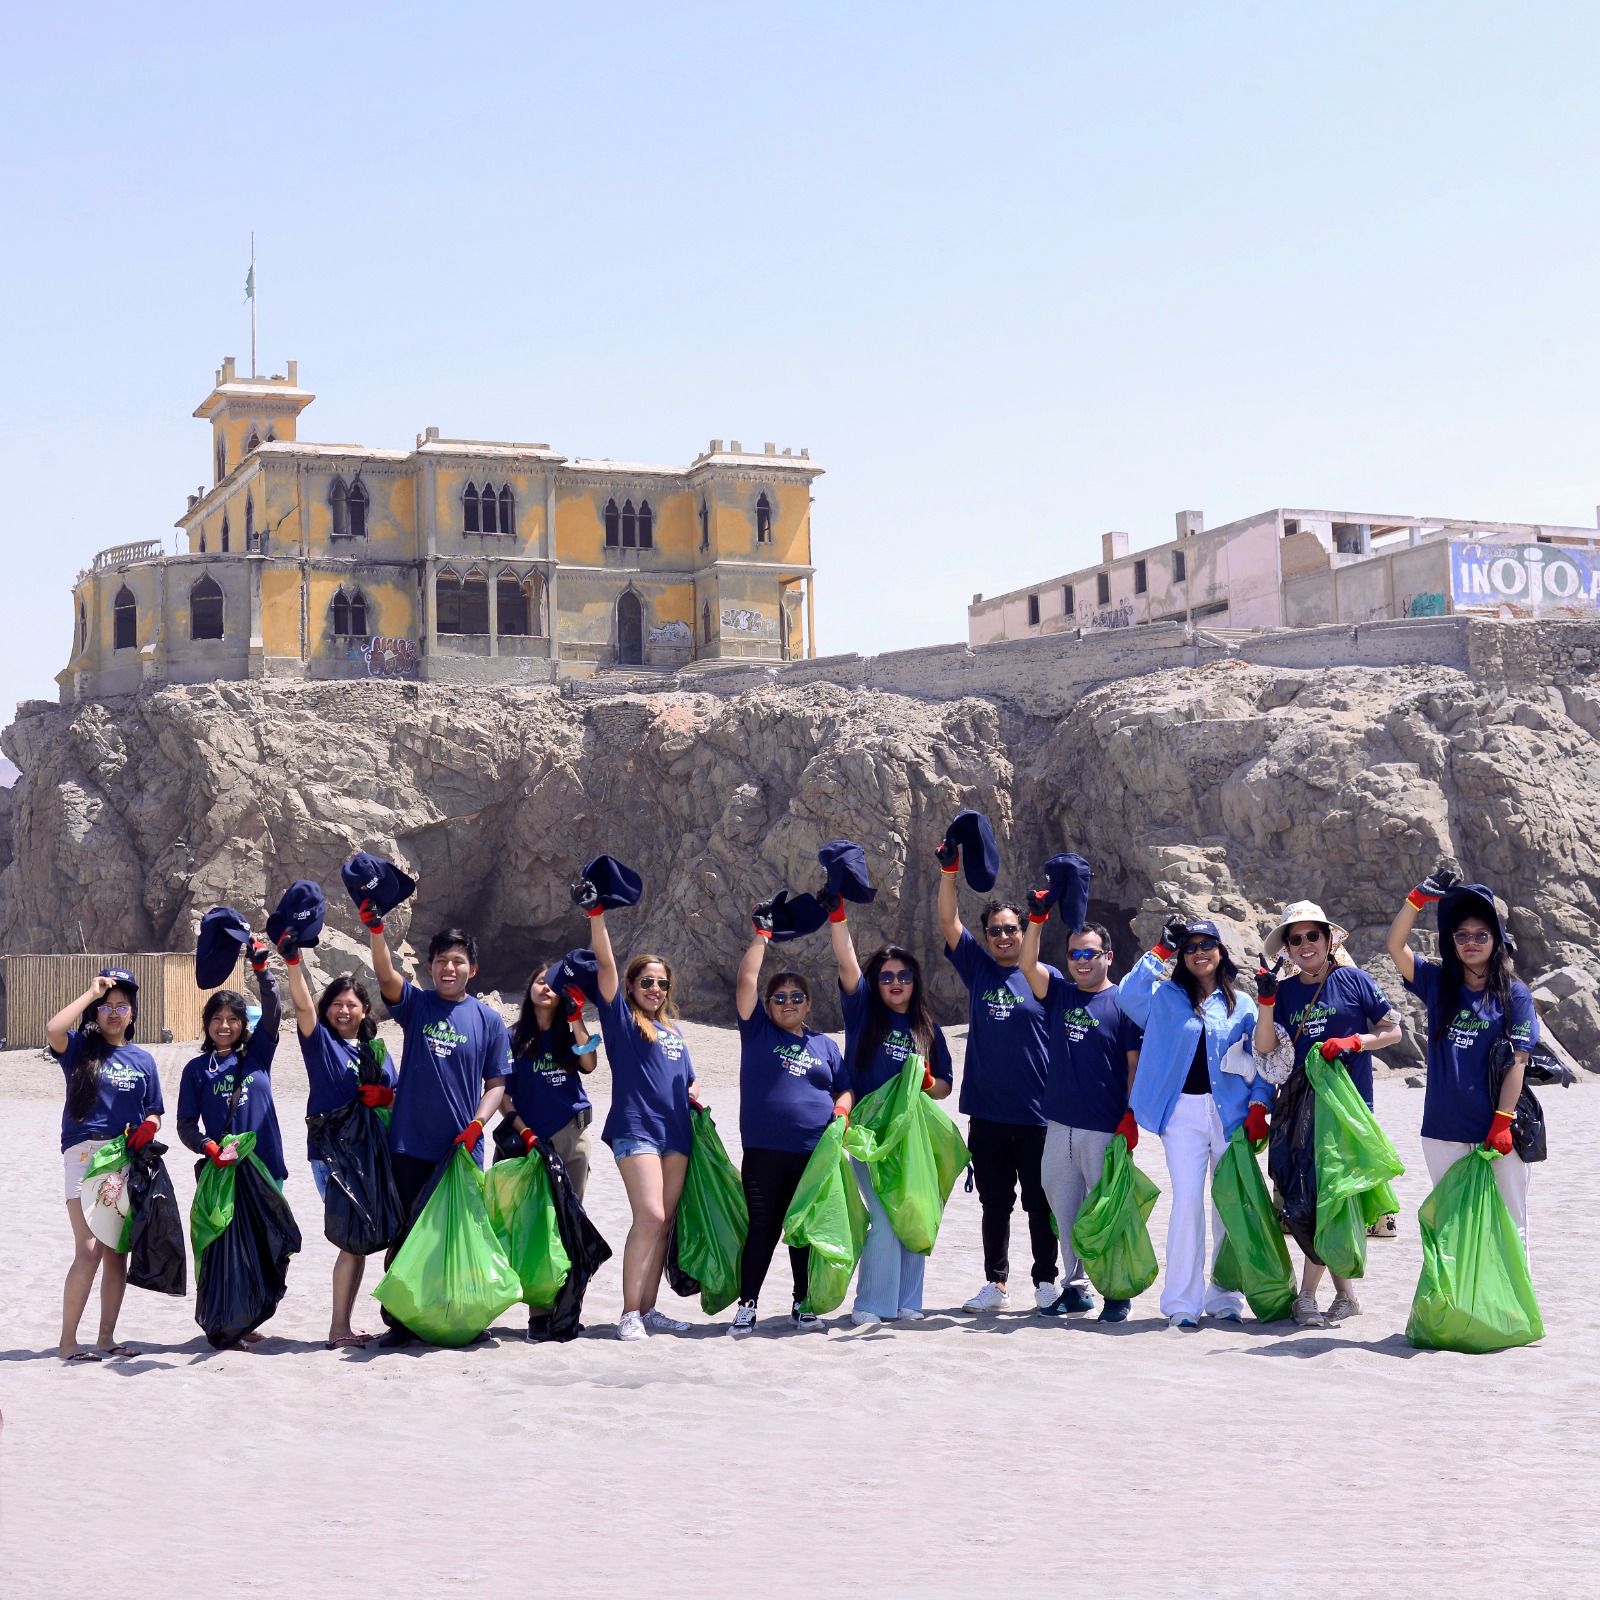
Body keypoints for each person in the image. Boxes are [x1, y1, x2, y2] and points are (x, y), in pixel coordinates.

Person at [365, 908, 511, 1348]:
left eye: (458, 961)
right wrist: (377, 931)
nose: (450, 968)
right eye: (442, 961)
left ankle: (459, 1316)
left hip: (462, 1150)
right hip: (410, 1144)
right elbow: (386, 975)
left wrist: (477, 1124)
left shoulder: (489, 1021)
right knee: (409, 1235)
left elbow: (497, 1084)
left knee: (458, 1235)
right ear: (430, 967)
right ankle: (401, 1321)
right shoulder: (419, 1006)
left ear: (473, 969)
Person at [1254, 900, 1402, 1328]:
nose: (1305, 945)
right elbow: (1265, 1049)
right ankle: (1346, 1296)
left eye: (1312, 936)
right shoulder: (1284, 993)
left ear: (1328, 939)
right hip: (1301, 1112)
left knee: (1329, 1197)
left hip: (1349, 1111)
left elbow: (1392, 1030)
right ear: (1286, 948)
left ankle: (1306, 1296)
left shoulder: (1354, 980)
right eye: (1295, 939)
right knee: (1317, 1198)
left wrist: (1356, 1041)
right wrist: (1266, 1001)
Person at [1119, 916, 1268, 1330]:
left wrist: (1259, 1105)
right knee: (1186, 1203)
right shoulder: (1163, 997)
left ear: (1221, 952)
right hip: (1181, 1115)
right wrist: (1160, 950)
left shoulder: (1243, 1005)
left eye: (1206, 945)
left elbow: (1263, 1057)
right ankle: (1182, 1303)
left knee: (1227, 1205)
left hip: (1230, 1115)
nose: (1198, 953)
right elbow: (1127, 995)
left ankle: (1226, 1298)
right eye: (1190, 947)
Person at [573, 875, 700, 1342]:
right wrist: (596, 916)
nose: (655, 989)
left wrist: (696, 1096)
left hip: (677, 1134)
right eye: (647, 982)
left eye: (662, 984)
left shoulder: (674, 1032)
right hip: (636, 1129)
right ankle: (628, 1312)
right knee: (649, 1216)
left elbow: (686, 1079)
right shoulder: (622, 1020)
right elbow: (605, 964)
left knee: (664, 1223)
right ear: (631, 985)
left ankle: (649, 1310)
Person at [1386, 868, 1538, 1254]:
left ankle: (1513, 1298)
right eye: (1462, 936)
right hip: (1443, 1131)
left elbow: (1518, 1060)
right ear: (1451, 942)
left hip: (1497, 1132)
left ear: (1497, 939)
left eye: (1481, 935)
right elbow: (1396, 946)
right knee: (1451, 1231)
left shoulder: (1515, 994)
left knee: (1509, 1227)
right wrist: (1415, 900)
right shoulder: (1438, 984)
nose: (1471, 942)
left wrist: (1502, 1121)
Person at [937, 855, 1060, 1313]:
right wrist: (950, 871)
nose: (1004, 936)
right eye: (995, 931)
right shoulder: (980, 969)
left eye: (1012, 929)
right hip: (988, 1114)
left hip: (1037, 1115)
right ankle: (996, 1284)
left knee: (1040, 1204)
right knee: (995, 1204)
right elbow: (948, 921)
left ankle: (1045, 1282)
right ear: (986, 937)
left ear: (1025, 931)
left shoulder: (1045, 977)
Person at [826, 898, 953, 1327]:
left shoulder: (927, 1028)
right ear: (875, 983)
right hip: (869, 1134)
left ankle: (907, 1302)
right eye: (886, 977)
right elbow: (846, 962)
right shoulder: (863, 1013)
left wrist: (928, 1081)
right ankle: (872, 1304)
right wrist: (838, 915)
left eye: (903, 976)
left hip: (913, 1136)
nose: (895, 982)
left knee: (914, 1208)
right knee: (882, 1216)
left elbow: (944, 1088)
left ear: (915, 981)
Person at [727, 909, 853, 1337]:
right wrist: (762, 935)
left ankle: (802, 1304)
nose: (788, 1003)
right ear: (767, 1005)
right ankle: (747, 1306)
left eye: (797, 997)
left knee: (803, 1231)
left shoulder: (825, 1045)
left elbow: (845, 1089)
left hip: (813, 1153)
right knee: (763, 1228)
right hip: (764, 1150)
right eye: (779, 998)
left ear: (809, 1003)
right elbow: (746, 980)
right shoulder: (757, 1032)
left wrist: (841, 1113)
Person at [1018, 904, 1142, 1322]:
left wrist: (1130, 1116)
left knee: (1105, 1213)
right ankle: (1076, 1289)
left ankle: (1117, 1294)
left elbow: (1134, 1065)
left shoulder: (1123, 1003)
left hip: (1104, 1127)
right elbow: (1028, 964)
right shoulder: (1061, 994)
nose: (1081, 961)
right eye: (1074, 954)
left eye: (1090, 953)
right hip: (1059, 1125)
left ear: (1108, 956)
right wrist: (1037, 920)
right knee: (1066, 1211)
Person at [281, 928, 397, 1350]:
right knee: (351, 1238)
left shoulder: (376, 1052)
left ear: (365, 1010)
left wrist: (387, 1097)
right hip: (331, 1156)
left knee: (360, 1240)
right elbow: (302, 1004)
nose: (344, 1011)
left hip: (369, 1155)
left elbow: (397, 1096)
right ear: (327, 1009)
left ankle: (345, 1323)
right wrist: (293, 963)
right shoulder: (321, 1044)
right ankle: (337, 1328)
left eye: (352, 1004)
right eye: (337, 1004)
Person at [46, 968, 164, 1363]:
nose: (114, 1013)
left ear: (133, 1013)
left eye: (122, 1006)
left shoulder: (143, 1060)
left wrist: (150, 1126)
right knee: (88, 1250)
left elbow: (154, 1110)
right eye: (106, 1006)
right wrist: (90, 992)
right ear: (96, 1012)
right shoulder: (80, 1049)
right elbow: (53, 1029)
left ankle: (106, 1338)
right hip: (84, 1155)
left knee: (116, 1251)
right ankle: (67, 1342)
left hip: (123, 1158)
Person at [499, 960, 601, 1342]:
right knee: (540, 1227)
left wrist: (576, 1017)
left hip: (574, 1138)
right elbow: (502, 1094)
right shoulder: (512, 1037)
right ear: (529, 989)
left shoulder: (568, 1033)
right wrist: (525, 1133)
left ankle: (567, 1310)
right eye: (540, 981)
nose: (546, 988)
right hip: (535, 1144)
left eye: (553, 984)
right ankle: (540, 1315)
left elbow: (589, 1063)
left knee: (569, 1224)